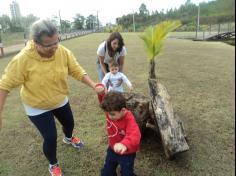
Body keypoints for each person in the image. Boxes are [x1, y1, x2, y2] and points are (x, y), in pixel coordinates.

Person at [0, 19, 104, 176]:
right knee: (50, 137)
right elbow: (4, 85)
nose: (55, 47)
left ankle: (69, 138)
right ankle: (53, 164)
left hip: (59, 98)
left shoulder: (62, 51)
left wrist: (93, 84)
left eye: (57, 41)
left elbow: (76, 70)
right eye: (49, 45)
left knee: (69, 123)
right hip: (36, 105)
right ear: (36, 43)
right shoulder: (22, 59)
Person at [98, 90, 141, 176]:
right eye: (107, 113)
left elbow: (135, 135)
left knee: (127, 173)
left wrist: (124, 144)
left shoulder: (129, 119)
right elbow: (104, 102)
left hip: (127, 153)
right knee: (106, 172)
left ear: (123, 110)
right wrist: (100, 93)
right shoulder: (110, 110)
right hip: (112, 149)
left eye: (112, 114)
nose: (109, 116)